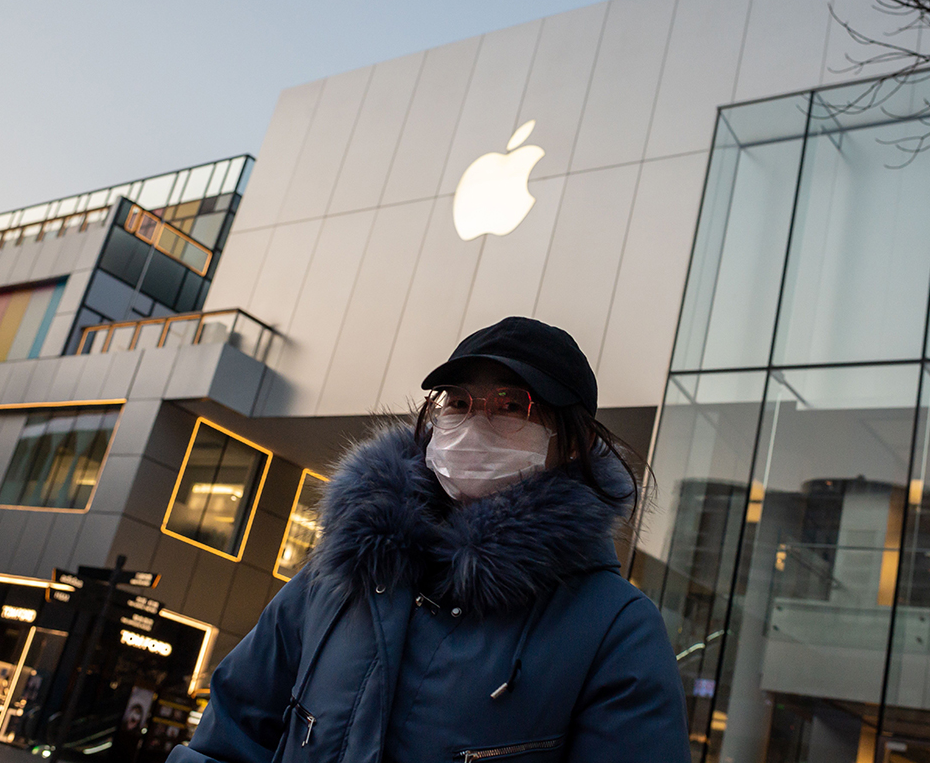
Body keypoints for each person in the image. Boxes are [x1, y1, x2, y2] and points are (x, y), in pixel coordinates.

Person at [169, 317, 689, 763]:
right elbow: (230, 731)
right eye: (458, 402)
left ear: (574, 443)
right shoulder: (345, 571)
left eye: (512, 406)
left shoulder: (616, 629)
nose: (474, 423)